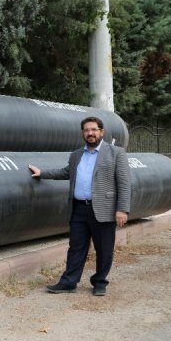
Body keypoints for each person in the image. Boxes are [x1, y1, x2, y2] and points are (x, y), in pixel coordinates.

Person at [28, 116, 131, 296]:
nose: (90, 133)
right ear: (83, 133)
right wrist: (42, 173)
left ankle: (100, 282)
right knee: (76, 247)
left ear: (101, 132)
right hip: (78, 209)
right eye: (86, 130)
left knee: (104, 249)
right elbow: (66, 172)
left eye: (93, 129)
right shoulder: (76, 155)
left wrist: (122, 209)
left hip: (104, 209)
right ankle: (69, 282)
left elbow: (124, 183)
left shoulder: (116, 153)